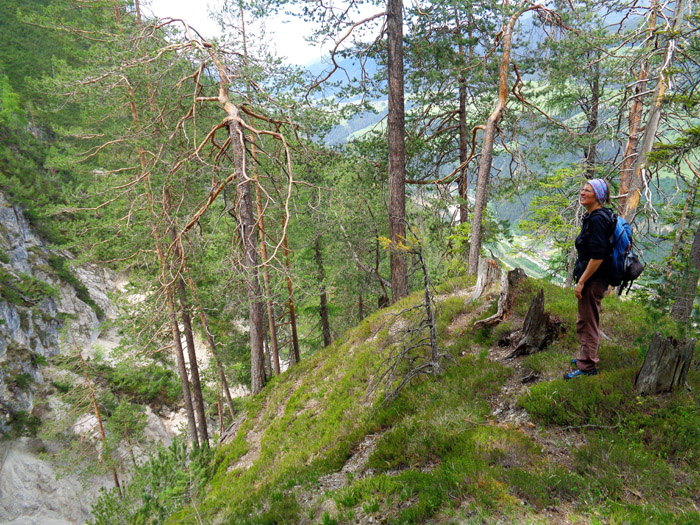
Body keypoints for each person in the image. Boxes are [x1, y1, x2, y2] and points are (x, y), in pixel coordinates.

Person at [564, 178, 613, 380]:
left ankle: (588, 367)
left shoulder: (597, 219)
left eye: (588, 191)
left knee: (589, 322)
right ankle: (586, 357)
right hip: (594, 278)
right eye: (582, 190)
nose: (582, 193)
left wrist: (582, 281)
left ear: (598, 196)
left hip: (593, 280)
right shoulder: (595, 216)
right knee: (585, 319)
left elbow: (598, 256)